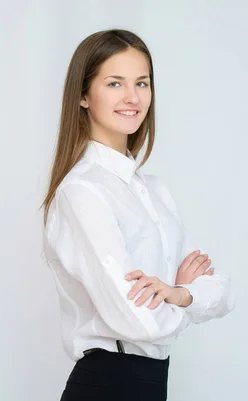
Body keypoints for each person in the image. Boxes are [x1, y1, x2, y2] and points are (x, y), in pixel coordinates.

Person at [41, 29, 235, 401]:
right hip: (108, 383)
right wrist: (186, 298)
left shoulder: (155, 192)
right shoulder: (82, 192)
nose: (132, 97)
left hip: (148, 384)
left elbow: (222, 291)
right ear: (83, 95)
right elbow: (136, 319)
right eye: (115, 83)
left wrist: (176, 293)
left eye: (141, 83)